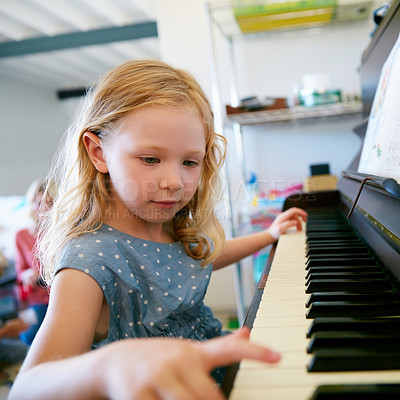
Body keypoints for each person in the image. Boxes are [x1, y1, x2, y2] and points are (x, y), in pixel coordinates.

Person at [9, 60, 307, 399]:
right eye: (150, 159)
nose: (174, 182)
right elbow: (27, 389)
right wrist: (109, 366)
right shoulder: (90, 259)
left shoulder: (166, 225)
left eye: (190, 162)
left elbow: (200, 256)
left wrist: (267, 236)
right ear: (98, 152)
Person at [14, 179, 52, 345]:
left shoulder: (63, 233)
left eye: (50, 203)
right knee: (29, 338)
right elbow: (20, 271)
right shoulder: (21, 236)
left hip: (62, 294)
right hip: (38, 298)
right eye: (38, 203)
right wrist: (27, 274)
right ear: (31, 205)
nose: (44, 208)